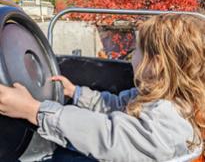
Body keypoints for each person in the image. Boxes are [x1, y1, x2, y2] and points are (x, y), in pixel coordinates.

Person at [0, 14, 204, 162]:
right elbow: (115, 106)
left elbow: (106, 136)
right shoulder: (160, 98)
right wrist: (76, 93)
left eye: (137, 50)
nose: (132, 56)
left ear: (155, 65)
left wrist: (34, 110)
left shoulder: (166, 122)